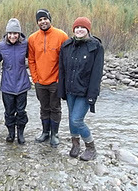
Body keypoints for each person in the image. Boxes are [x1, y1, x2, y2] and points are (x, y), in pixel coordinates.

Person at [58, 17, 104, 161]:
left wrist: (92, 95)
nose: (79, 30)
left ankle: (91, 148)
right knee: (71, 119)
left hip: (85, 91)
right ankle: (75, 144)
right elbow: (62, 69)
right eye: (77, 27)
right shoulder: (67, 45)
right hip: (70, 89)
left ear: (88, 30)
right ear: (73, 29)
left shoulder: (96, 47)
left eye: (82, 28)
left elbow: (97, 74)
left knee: (77, 120)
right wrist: (62, 90)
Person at [28, 9, 68, 147]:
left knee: (55, 108)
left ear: (50, 19)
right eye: (40, 20)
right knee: (44, 107)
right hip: (40, 81)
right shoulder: (32, 38)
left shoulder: (61, 36)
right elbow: (31, 60)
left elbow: (66, 60)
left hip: (56, 81)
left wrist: (60, 79)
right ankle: (45, 132)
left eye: (45, 18)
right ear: (37, 22)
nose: (43, 21)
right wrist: (35, 78)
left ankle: (54, 134)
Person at [0, 18, 31, 145]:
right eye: (10, 33)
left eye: (15, 33)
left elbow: (33, 56)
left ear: (19, 34)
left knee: (21, 111)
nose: (12, 36)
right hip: (7, 85)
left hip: (22, 84)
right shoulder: (0, 46)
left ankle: (20, 133)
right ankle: (11, 133)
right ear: (6, 34)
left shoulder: (25, 44)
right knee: (9, 112)